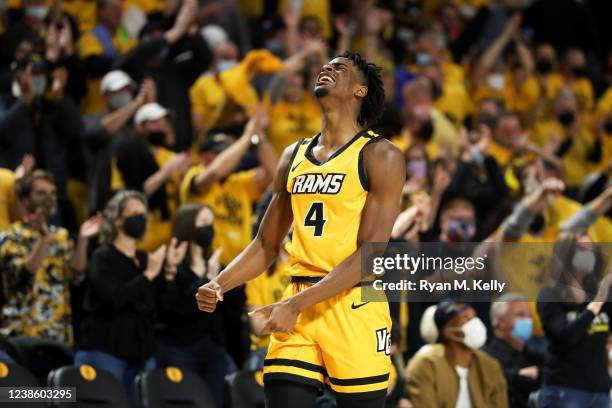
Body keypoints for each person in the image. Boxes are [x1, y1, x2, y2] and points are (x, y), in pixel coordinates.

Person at [197, 51, 405, 407]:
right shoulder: (293, 155)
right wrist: (221, 283)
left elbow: (369, 257)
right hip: (299, 304)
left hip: (353, 303)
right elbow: (266, 244)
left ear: (360, 91)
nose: (326, 68)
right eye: (326, 65)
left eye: (340, 68)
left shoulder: (380, 156)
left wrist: (294, 304)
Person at [76, 190, 166, 404]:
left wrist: (168, 272)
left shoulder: (146, 259)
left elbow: (155, 307)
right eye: (134, 213)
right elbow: (114, 298)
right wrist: (148, 276)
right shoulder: (102, 256)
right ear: (117, 221)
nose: (141, 219)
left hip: (141, 353)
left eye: (144, 214)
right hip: (106, 350)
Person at [0, 170, 100, 345]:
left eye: (53, 192)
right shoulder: (10, 235)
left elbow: (76, 276)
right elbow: (22, 276)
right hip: (22, 334)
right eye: (41, 193)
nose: (49, 197)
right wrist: (44, 238)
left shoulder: (61, 235)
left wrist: (83, 241)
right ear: (25, 200)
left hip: (58, 333)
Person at [156, 203, 235, 407]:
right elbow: (175, 307)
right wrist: (208, 278)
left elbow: (230, 310)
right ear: (188, 226)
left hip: (213, 346)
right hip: (180, 347)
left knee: (218, 400)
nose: (209, 228)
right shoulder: (172, 265)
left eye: (211, 223)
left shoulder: (219, 267)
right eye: (203, 223)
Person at [536, 231, 612, 408]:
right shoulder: (550, 294)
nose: (588, 254)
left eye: (591, 249)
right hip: (565, 389)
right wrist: (596, 304)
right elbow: (566, 335)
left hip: (599, 390)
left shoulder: (597, 292)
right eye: (581, 249)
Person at [115, 102, 191, 251]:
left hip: (169, 232)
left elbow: (179, 198)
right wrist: (164, 173)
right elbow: (131, 195)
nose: (161, 127)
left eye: (164, 122)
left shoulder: (173, 158)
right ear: (140, 127)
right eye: (155, 122)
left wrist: (182, 177)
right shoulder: (127, 155)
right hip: (141, 231)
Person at [405, 300, 508, 407]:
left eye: (474, 317)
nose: (475, 323)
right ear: (448, 332)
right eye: (466, 318)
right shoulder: (427, 365)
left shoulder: (490, 366)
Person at [484, 293, 545, 408]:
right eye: (520, 315)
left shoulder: (531, 355)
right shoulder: (487, 357)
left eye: (529, 316)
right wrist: (517, 376)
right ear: (501, 322)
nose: (527, 321)